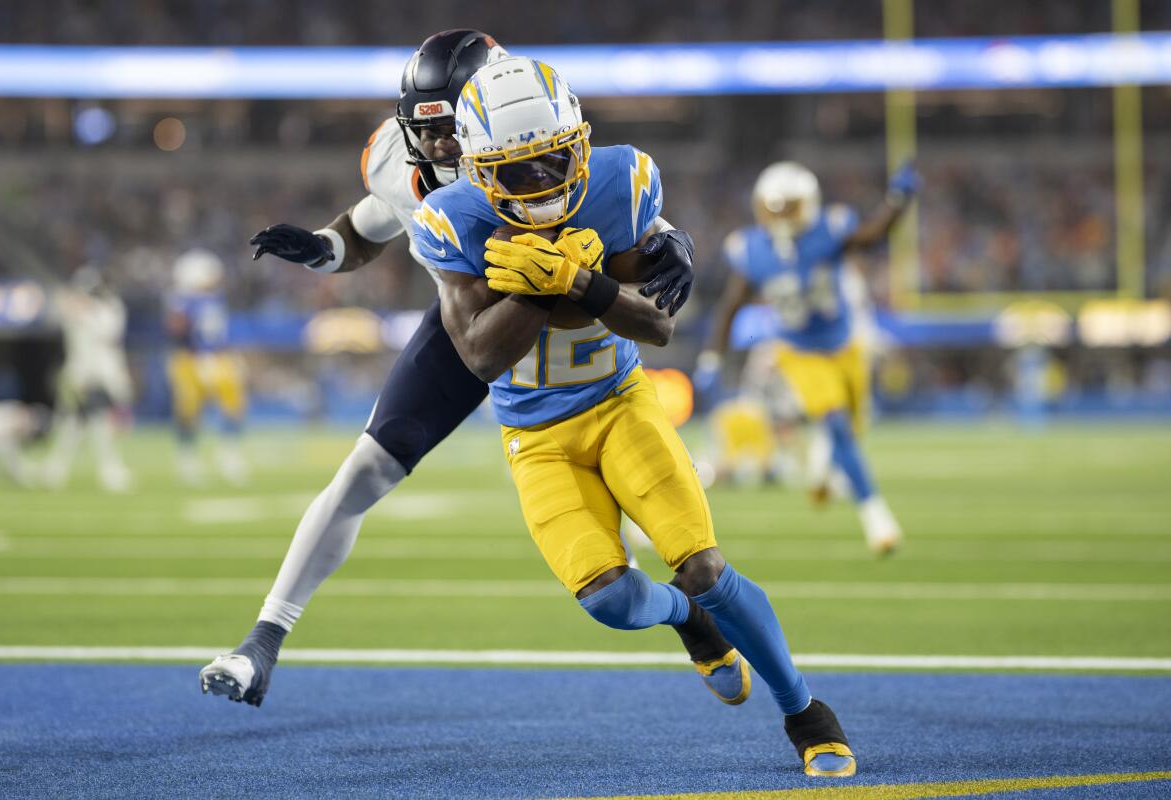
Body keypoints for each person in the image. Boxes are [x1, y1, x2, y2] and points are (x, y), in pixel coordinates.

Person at [200, 31, 742, 710]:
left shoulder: (535, 144)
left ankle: (693, 600)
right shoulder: (403, 157)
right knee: (365, 469)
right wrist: (323, 248)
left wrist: (673, 238)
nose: (438, 149)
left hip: (576, 328)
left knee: (629, 498)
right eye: (426, 133)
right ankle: (264, 639)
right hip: (479, 325)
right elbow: (380, 218)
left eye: (451, 132)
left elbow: (623, 208)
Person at [418, 56, 855, 778]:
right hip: (537, 439)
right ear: (476, 168)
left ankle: (807, 714)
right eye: (517, 170)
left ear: (580, 143)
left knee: (705, 565)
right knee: (611, 601)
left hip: (621, 405)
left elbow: (656, 329)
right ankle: (690, 623)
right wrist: (551, 288)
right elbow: (479, 356)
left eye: (554, 159)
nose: (543, 183)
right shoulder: (451, 220)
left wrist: (577, 281)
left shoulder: (620, 183)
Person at [695, 161, 917, 555]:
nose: (781, 217)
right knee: (836, 424)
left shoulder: (827, 231)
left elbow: (871, 236)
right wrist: (712, 355)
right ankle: (876, 517)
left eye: (789, 207)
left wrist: (897, 202)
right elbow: (731, 305)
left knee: (850, 427)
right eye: (774, 208)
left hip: (846, 345)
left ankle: (824, 467)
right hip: (799, 351)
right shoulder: (753, 248)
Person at [44, 266, 133, 492]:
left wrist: (86, 310)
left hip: (102, 371)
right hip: (81, 371)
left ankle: (59, 467)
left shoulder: (108, 308)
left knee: (91, 421)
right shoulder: (73, 308)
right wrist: (67, 303)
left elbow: (109, 334)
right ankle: (103, 469)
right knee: (79, 421)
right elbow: (54, 315)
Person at [166, 248, 248, 485]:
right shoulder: (182, 301)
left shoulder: (216, 298)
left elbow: (219, 332)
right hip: (190, 358)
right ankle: (187, 458)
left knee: (233, 404)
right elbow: (176, 331)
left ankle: (228, 454)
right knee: (189, 410)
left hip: (218, 357)